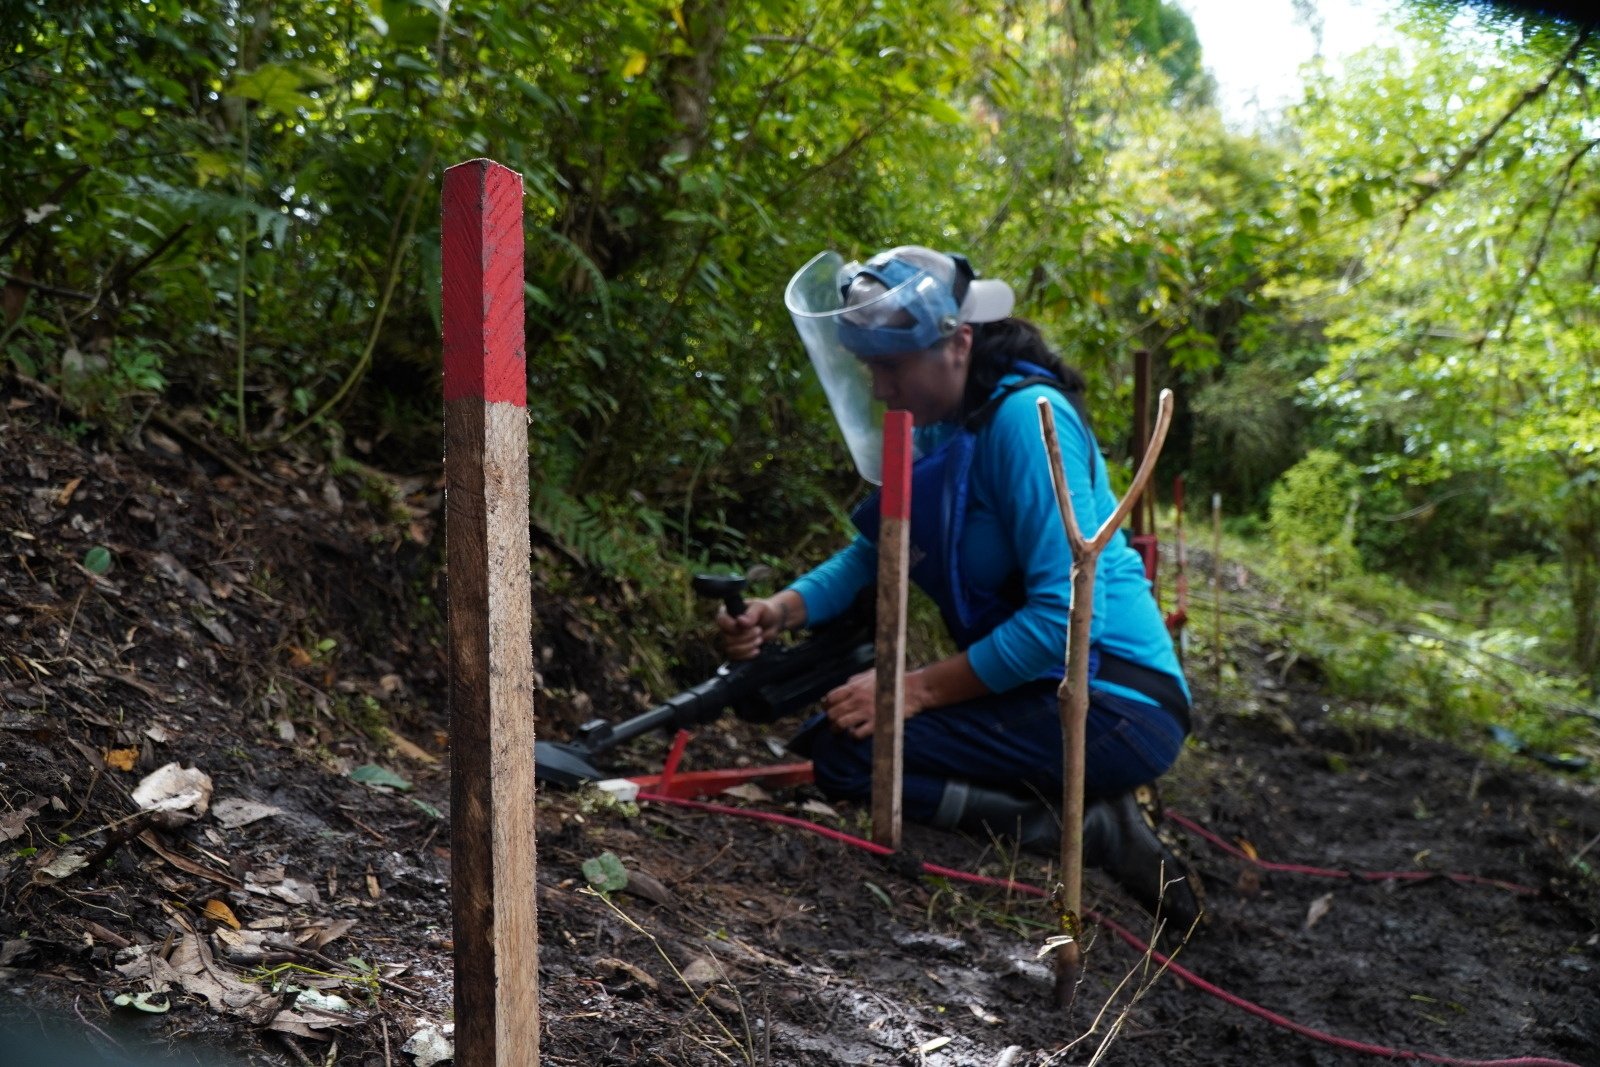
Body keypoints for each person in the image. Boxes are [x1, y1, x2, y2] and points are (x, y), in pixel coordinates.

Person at [718, 245, 1200, 930]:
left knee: (850, 753)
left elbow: (1061, 623)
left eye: (891, 365)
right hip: (1044, 692)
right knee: (835, 738)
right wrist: (778, 609)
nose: (881, 388)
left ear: (958, 341)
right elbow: (874, 553)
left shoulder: (1028, 419)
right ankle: (1080, 803)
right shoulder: (950, 431)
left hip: (1116, 701)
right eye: (868, 368)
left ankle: (1091, 829)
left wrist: (908, 691)